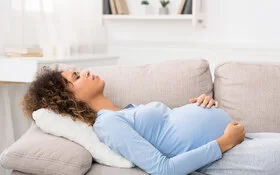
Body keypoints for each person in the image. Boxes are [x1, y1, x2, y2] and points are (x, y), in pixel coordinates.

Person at [21, 69, 280, 175]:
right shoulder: (107, 124)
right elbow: (163, 169)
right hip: (227, 156)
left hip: (243, 141)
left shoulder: (124, 111)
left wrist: (201, 104)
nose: (86, 72)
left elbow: (169, 128)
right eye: (76, 78)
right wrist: (223, 143)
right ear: (69, 100)